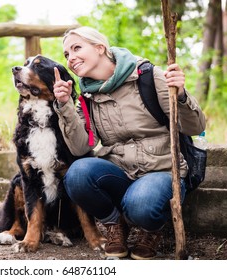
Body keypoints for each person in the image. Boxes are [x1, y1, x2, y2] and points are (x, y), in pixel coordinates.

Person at [53, 26, 206, 260]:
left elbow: (195, 127)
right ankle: (115, 224)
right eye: (66, 54)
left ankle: (150, 229)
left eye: (76, 48)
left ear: (100, 48)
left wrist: (182, 95)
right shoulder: (86, 96)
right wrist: (64, 105)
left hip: (161, 170)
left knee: (142, 206)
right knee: (77, 174)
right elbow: (81, 147)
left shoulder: (148, 76)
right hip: (120, 172)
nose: (70, 58)